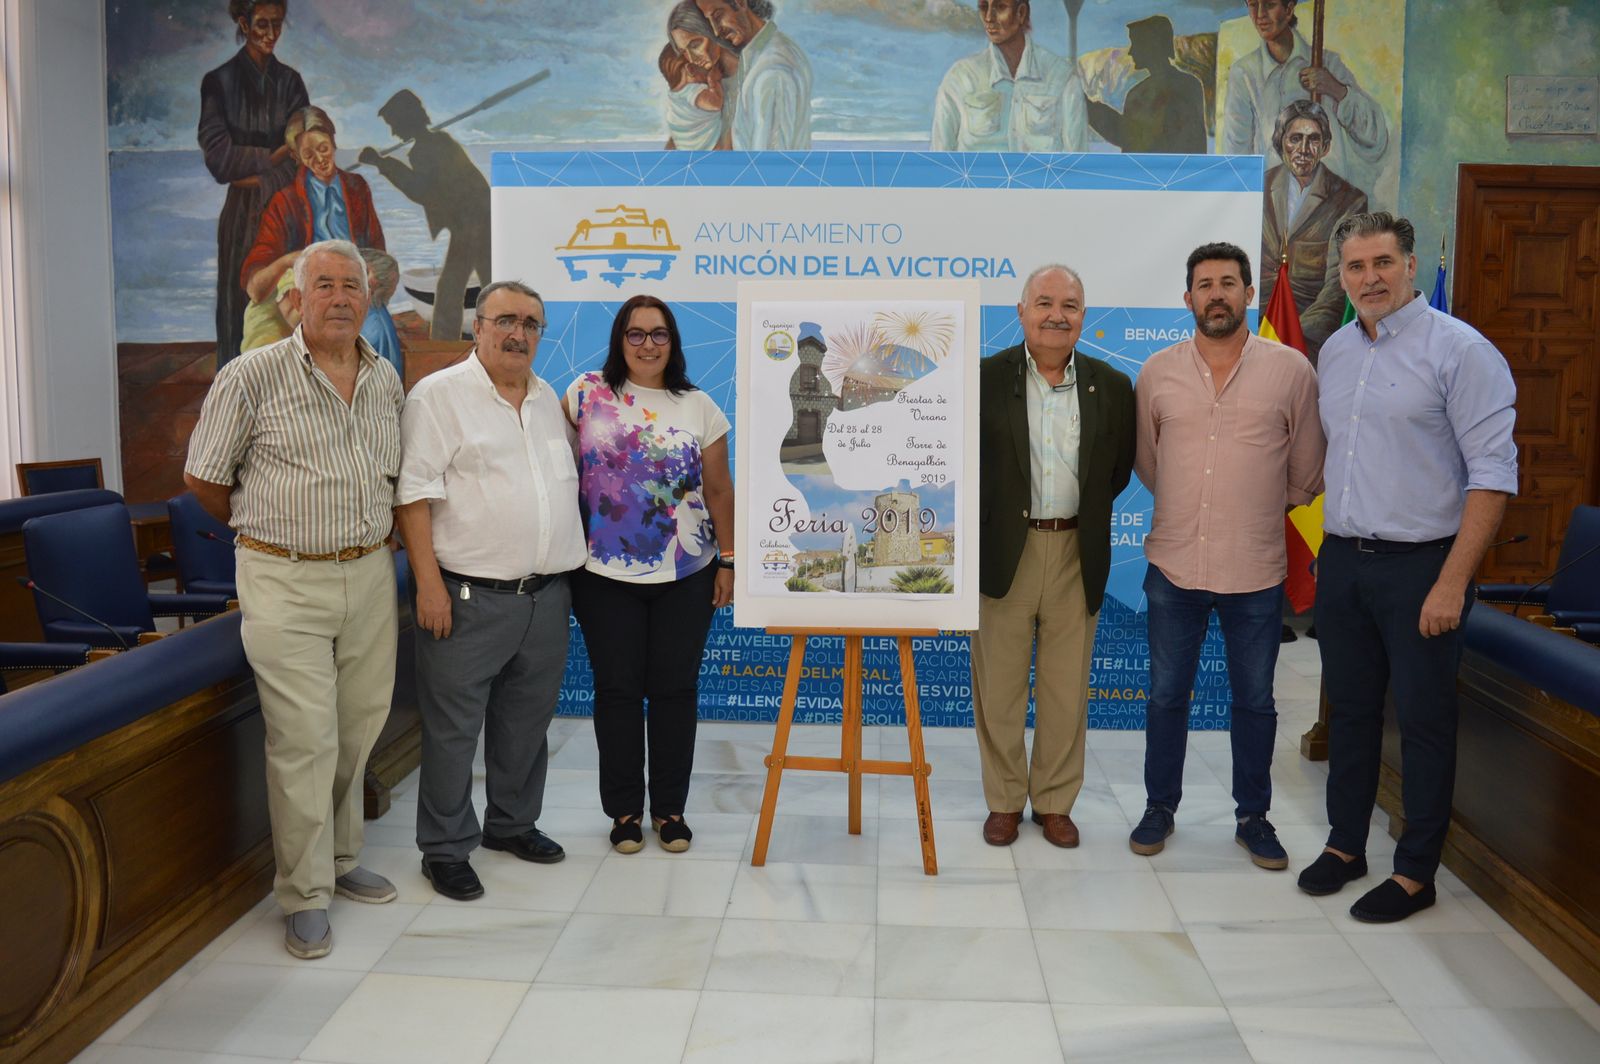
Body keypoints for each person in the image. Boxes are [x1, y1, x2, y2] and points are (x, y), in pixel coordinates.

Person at [184, 239, 405, 959]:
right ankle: (304, 892)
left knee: (356, 725)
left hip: (369, 574)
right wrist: (272, 532)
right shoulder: (250, 376)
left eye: (352, 286)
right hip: (284, 577)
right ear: (298, 299)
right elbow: (206, 483)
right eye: (326, 286)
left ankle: (340, 861)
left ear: (368, 300)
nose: (341, 297)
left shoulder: (383, 380)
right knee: (304, 737)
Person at [1299, 211, 1517, 922]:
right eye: (1356, 267)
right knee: (1353, 712)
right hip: (1345, 562)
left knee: (1423, 721)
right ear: (1343, 275)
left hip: (1424, 566)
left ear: (1410, 265)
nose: (1369, 278)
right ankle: (1345, 846)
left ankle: (1417, 871)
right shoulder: (1334, 351)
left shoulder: (1460, 351)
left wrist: (1452, 581)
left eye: (1382, 263)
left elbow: (1492, 476)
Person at [1130, 242, 1326, 867]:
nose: (1216, 294)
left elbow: (1307, 468)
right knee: (1165, 697)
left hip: (1255, 567)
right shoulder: (1157, 372)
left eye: (1229, 283)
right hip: (1175, 565)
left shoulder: (1292, 370)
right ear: (1187, 297)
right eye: (1204, 284)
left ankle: (1254, 816)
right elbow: (1149, 461)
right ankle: (1160, 807)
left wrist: (1250, 507)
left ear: (1247, 292)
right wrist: (1198, 506)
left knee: (1255, 701)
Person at [394, 281, 587, 902]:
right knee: (454, 732)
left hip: (546, 597)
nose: (518, 333)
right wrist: (428, 586)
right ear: (477, 327)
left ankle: (512, 825)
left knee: (526, 723)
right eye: (505, 320)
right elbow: (413, 495)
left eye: (532, 323)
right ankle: (446, 849)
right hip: (467, 597)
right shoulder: (438, 397)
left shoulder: (546, 396)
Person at [563, 296, 734, 854]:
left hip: (687, 574)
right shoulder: (585, 393)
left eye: (658, 334)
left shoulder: (700, 405)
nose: (646, 345)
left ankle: (670, 810)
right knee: (615, 691)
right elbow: (561, 471)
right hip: (600, 573)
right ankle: (624, 813)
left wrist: (728, 560)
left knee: (674, 691)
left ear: (673, 342)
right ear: (619, 340)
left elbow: (718, 490)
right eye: (635, 334)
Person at [974, 265, 1135, 847]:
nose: (1056, 315)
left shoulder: (1112, 386)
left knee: (1067, 689)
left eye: (1069, 305)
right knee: (1000, 689)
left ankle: (1055, 802)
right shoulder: (984, 379)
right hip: (1004, 552)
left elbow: (1114, 473)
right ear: (1020, 312)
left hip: (1075, 550)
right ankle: (1003, 801)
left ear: (1083, 318)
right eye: (1044, 302)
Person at [240, 106, 402, 372]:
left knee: (379, 329)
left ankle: (385, 405)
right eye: (308, 154)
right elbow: (258, 271)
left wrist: (370, 273)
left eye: (324, 148)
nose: (320, 160)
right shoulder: (285, 201)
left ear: (334, 142)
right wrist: (290, 261)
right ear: (295, 157)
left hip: (354, 285)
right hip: (314, 292)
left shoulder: (356, 187)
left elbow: (375, 248)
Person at [198, 0, 308, 368]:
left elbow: (301, 152)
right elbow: (218, 161)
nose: (271, 33)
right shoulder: (218, 82)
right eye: (262, 24)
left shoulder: (291, 82)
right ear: (243, 24)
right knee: (237, 307)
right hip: (241, 213)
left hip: (285, 211)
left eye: (277, 24)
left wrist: (258, 166)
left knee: (287, 306)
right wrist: (274, 156)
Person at [1220, 0, 1389, 195]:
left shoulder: (1327, 64)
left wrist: (1335, 89)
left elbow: (1375, 138)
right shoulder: (1244, 73)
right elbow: (1236, 153)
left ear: (1289, 9)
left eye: (1269, 4)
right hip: (1272, 205)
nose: (1259, 15)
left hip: (1328, 202)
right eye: (1252, 4)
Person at [361, 90, 492, 341]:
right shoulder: (436, 143)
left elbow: (419, 190)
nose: (393, 132)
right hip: (472, 224)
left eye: (393, 124)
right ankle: (449, 342)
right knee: (465, 286)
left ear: (406, 120)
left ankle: (448, 343)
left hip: (475, 225)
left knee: (460, 287)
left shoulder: (428, 148)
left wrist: (382, 163)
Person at [1260, 100, 1369, 359]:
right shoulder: (1256, 186)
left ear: (1325, 147)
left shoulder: (1349, 201)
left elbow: (1337, 285)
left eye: (1313, 140)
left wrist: (1292, 337)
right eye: (1295, 138)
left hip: (1306, 339)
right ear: (1280, 143)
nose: (1303, 149)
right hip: (1252, 329)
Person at [931, 0, 1087, 153]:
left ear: (1021, 13)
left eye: (1000, 7)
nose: (989, 18)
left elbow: (1077, 163)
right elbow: (940, 163)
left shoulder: (1062, 78)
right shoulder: (959, 78)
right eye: (984, 7)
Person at [694, 0, 812, 150]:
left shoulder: (772, 68)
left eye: (718, 15)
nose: (716, 31)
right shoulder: (763, 55)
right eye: (709, 20)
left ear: (741, 3)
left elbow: (768, 163)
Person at [1086, 15, 1206, 154]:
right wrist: (1088, 107)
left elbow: (1130, 136)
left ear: (1151, 45)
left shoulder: (1174, 88)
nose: (1131, 52)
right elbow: (1129, 134)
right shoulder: (1188, 84)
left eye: (1135, 43)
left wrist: (1088, 107)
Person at [665, 0, 739, 150]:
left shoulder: (748, 75)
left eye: (694, 44)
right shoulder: (704, 83)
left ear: (712, 30)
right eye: (684, 51)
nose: (692, 58)